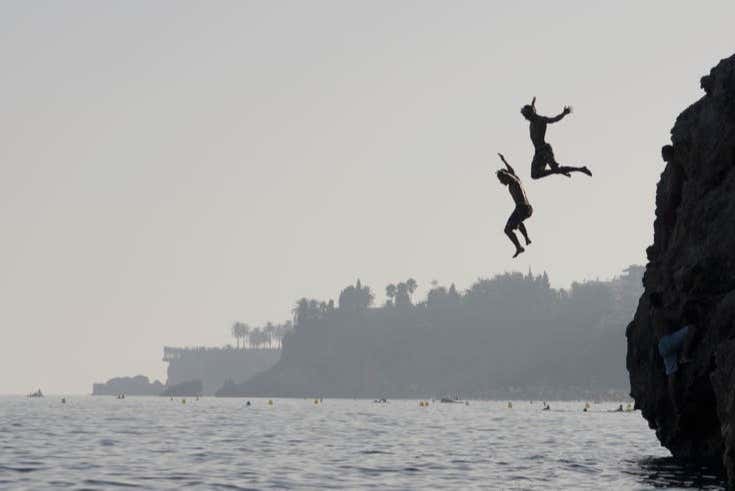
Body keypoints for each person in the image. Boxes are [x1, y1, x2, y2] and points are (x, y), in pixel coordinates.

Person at [520, 97, 592, 179]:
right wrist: (533, 104)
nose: (526, 119)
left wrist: (563, 113)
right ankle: (559, 171)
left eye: (527, 116)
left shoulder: (541, 120)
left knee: (555, 169)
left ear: (531, 114)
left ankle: (581, 169)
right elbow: (533, 110)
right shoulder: (532, 120)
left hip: (545, 150)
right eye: (525, 117)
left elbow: (554, 119)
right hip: (538, 152)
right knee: (534, 175)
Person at [650, 293, 699, 413]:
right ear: (660, 301)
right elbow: (676, 317)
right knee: (691, 329)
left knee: (672, 375)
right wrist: (682, 305)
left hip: (662, 345)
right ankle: (684, 356)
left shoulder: (653, 314)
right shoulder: (660, 312)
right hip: (668, 341)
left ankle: (675, 407)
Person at [496, 153, 533, 258]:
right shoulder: (515, 179)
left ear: (505, 177)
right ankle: (526, 239)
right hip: (525, 209)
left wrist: (503, 172)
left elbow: (509, 174)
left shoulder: (514, 180)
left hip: (523, 208)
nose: (501, 182)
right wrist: (504, 161)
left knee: (507, 229)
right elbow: (511, 171)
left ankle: (519, 247)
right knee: (517, 221)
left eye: (501, 180)